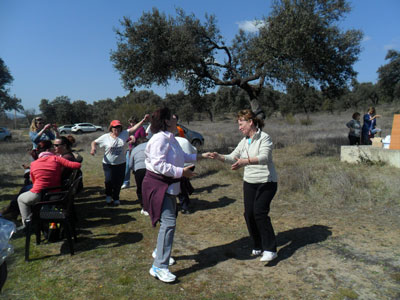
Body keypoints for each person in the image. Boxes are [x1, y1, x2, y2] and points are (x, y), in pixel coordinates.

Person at [142, 107, 211, 283]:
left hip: (170, 188)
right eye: (173, 116)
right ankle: (159, 266)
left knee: (168, 223)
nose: (176, 118)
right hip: (160, 187)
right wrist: (182, 173)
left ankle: (160, 252)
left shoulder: (171, 138)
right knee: (169, 223)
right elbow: (159, 165)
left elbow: (182, 156)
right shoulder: (159, 140)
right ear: (166, 121)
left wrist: (202, 156)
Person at [210, 109, 278, 263]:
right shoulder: (244, 141)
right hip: (250, 182)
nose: (239, 128)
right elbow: (232, 157)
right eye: (238, 125)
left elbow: (264, 157)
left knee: (260, 213)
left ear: (250, 122)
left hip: (267, 182)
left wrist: (244, 162)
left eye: (241, 124)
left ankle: (270, 249)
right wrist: (219, 157)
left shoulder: (264, 138)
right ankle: (257, 245)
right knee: (249, 214)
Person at [17, 140, 81, 225]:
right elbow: (77, 165)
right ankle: (44, 218)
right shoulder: (57, 159)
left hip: (39, 194)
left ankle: (28, 224)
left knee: (21, 199)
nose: (54, 149)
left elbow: (34, 181)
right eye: (52, 147)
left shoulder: (33, 164)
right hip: (56, 194)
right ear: (48, 151)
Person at [90, 115, 149, 206]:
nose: (116, 129)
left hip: (121, 163)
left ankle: (116, 197)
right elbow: (94, 142)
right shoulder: (106, 137)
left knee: (119, 182)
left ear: (121, 128)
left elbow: (134, 128)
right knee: (108, 180)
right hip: (108, 164)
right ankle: (109, 195)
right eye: (114, 127)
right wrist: (93, 149)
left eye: (118, 127)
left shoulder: (124, 134)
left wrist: (143, 120)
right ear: (111, 128)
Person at [122, 117, 147, 189]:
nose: (131, 124)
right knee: (127, 165)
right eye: (130, 122)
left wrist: (135, 140)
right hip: (129, 149)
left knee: (137, 166)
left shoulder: (141, 129)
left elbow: (143, 139)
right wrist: (129, 140)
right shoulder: (129, 129)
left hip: (138, 149)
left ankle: (141, 182)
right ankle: (126, 182)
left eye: (133, 122)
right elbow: (126, 138)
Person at [176, 136, 197, 214]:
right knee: (183, 182)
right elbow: (195, 150)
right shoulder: (185, 140)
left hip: (181, 166)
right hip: (191, 165)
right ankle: (190, 189)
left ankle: (185, 207)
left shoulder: (172, 141)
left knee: (180, 187)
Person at [128, 137, 148, 215]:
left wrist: (134, 170)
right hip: (151, 169)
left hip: (139, 169)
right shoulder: (151, 146)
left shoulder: (134, 149)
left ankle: (144, 207)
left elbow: (130, 165)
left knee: (140, 189)